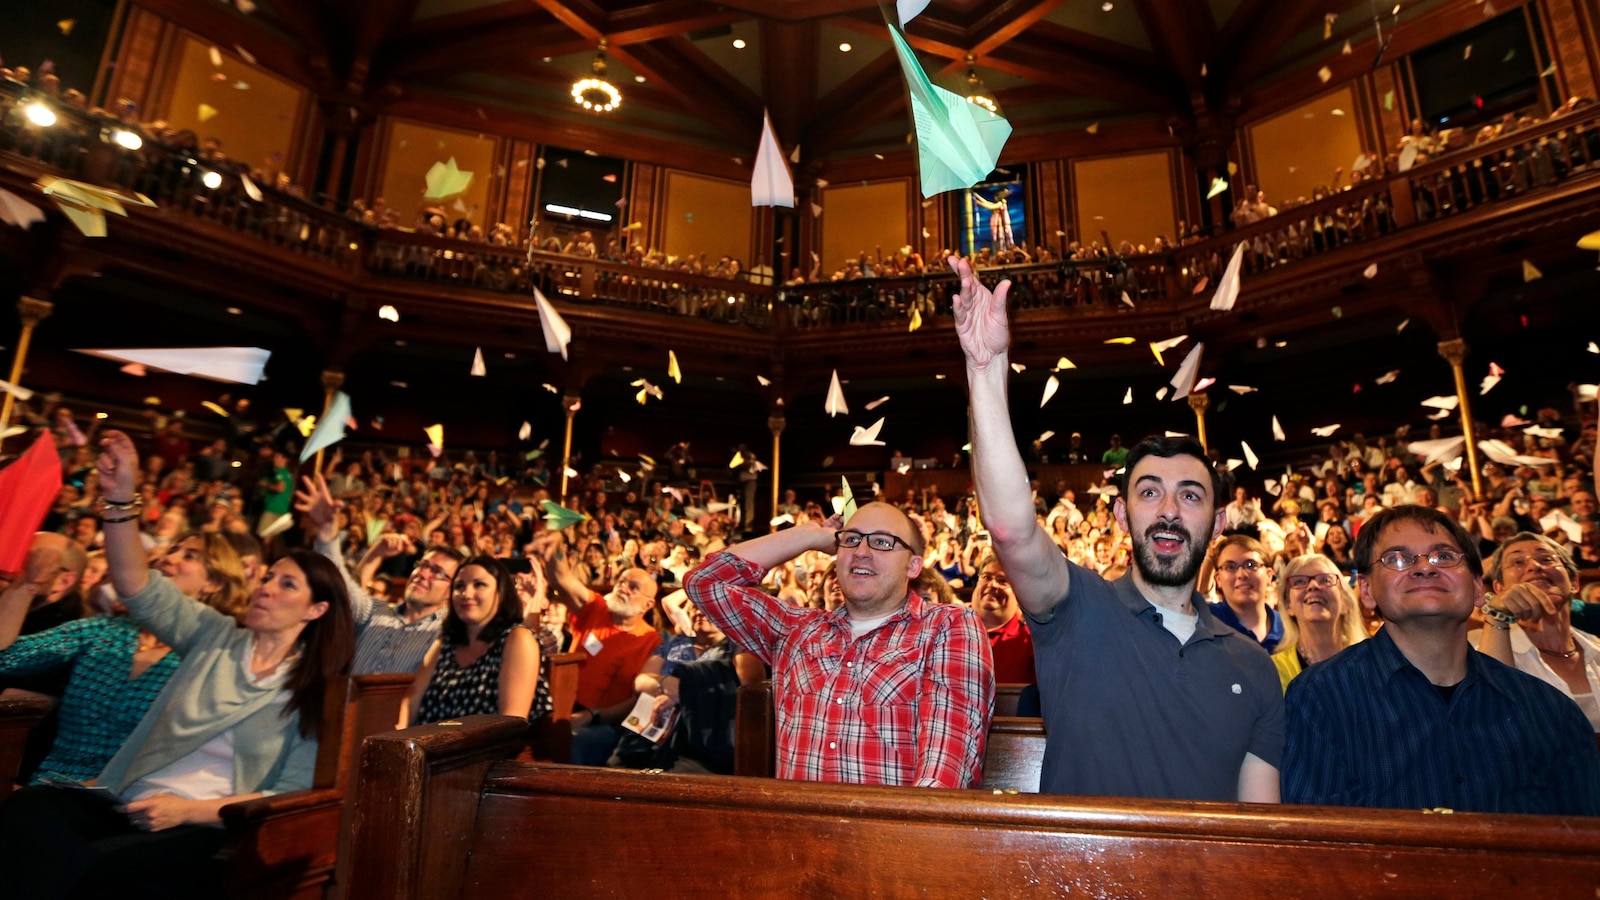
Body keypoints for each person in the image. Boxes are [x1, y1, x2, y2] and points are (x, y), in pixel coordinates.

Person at [952, 255, 1282, 802]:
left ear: (1219, 522)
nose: (1169, 509)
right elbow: (1011, 529)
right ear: (1123, 515)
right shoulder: (1076, 609)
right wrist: (986, 371)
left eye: (1191, 495)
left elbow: (1258, 830)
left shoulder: (1254, 665)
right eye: (1149, 492)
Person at [0, 430, 354, 899]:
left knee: (101, 870)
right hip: (125, 799)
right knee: (30, 811)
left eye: (287, 585)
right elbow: (136, 584)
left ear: (316, 610)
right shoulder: (216, 636)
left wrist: (188, 811)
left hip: (206, 824)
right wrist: (121, 499)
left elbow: (286, 793)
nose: (267, 587)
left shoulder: (312, 687)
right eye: (267, 577)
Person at [1282, 506, 1600, 814]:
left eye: (1443, 556)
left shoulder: (1551, 712)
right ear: (1366, 591)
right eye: (1397, 558)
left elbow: (1580, 850)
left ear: (1478, 588)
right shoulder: (1320, 697)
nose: (1424, 567)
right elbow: (1321, 848)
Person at [684, 502, 993, 788]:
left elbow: (946, 764)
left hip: (890, 838)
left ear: (913, 566)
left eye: (883, 542)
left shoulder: (947, 625)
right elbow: (705, 582)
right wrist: (807, 535)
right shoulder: (796, 630)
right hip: (797, 837)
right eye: (850, 539)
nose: (861, 551)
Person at [0, 532, 249, 785]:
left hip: (136, 800)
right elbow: (6, 656)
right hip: (50, 788)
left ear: (213, 583)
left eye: (189, 556)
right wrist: (27, 584)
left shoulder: (209, 656)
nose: (169, 558)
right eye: (171, 550)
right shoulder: (107, 630)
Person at [296, 474, 461, 674]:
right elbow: (339, 586)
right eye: (423, 565)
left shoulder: (451, 634)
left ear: (451, 590)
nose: (423, 573)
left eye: (436, 572)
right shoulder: (375, 611)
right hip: (343, 703)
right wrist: (328, 534)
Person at [538, 535, 662, 765]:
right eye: (621, 582)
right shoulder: (596, 607)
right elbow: (560, 577)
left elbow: (639, 699)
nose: (623, 588)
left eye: (633, 587)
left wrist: (591, 716)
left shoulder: (652, 641)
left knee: (577, 741)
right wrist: (556, 543)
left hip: (604, 721)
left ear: (648, 604)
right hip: (559, 705)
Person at [1475, 532, 1600, 730]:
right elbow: (1489, 718)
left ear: (1574, 582)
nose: (1534, 566)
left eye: (1547, 559)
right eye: (1516, 562)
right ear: (1499, 588)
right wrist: (1497, 615)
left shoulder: (1596, 649)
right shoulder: (1481, 648)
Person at [402, 556, 544, 726]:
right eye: (459, 586)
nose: (466, 594)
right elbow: (410, 702)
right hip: (426, 747)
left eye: (479, 585)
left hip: (484, 749)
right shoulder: (445, 644)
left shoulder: (518, 640)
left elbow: (510, 724)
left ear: (501, 592)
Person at [1270, 554, 1368, 690]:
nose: (1313, 586)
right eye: (1299, 582)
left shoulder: (1371, 664)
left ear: (1345, 601)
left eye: (1325, 580)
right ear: (1288, 605)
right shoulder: (1273, 671)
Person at [1207, 535, 1284, 652]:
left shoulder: (1288, 628)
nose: (1241, 575)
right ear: (1218, 579)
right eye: (1230, 567)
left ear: (1269, 575)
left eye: (1251, 565)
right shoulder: (1204, 622)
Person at [971, 555, 1034, 685]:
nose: (993, 584)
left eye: (1003, 580)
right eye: (986, 577)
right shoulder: (949, 628)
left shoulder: (1030, 642)